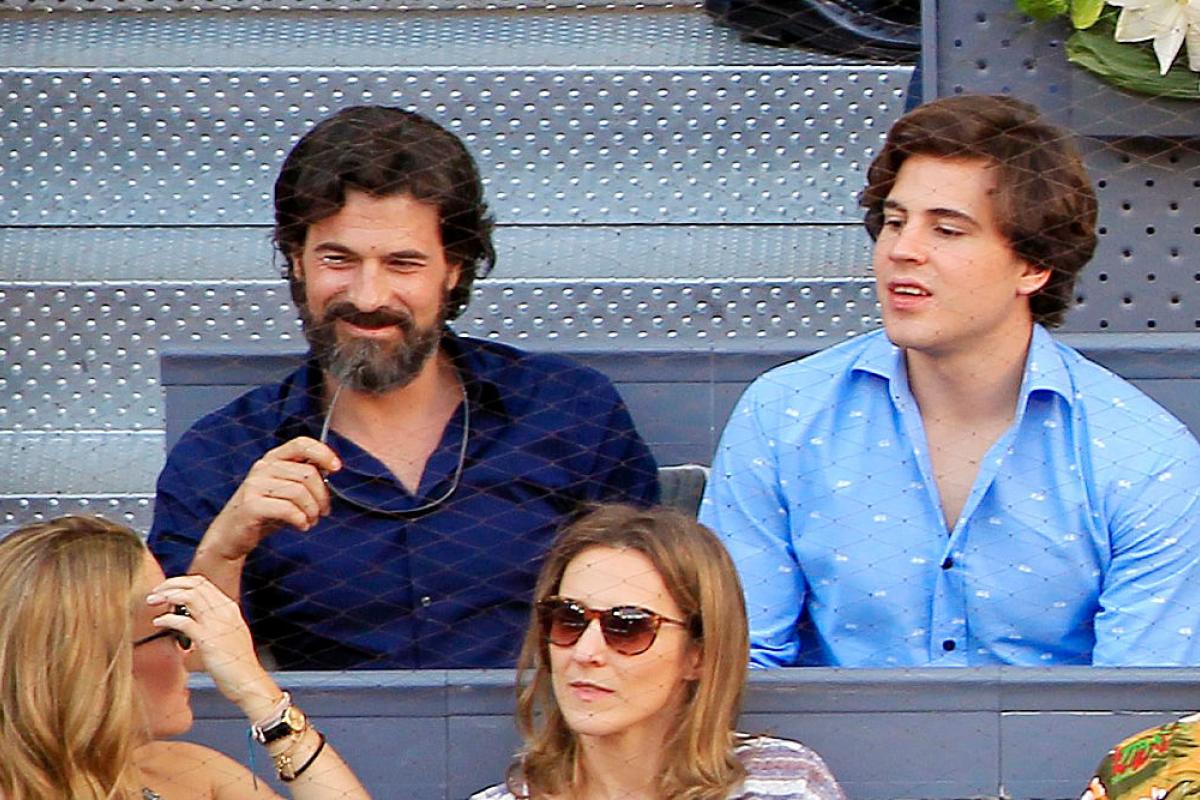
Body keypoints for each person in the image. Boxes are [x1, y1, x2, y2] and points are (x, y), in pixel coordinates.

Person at [148, 105, 659, 670]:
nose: (368, 296)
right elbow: (173, 687)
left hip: (553, 747)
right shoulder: (222, 456)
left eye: (403, 263)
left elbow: (658, 629)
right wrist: (228, 546)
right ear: (297, 261)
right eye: (337, 259)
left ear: (454, 268)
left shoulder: (570, 412)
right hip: (303, 750)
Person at [700, 93, 1200, 668]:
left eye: (948, 230)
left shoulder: (1143, 457)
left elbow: (1136, 712)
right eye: (894, 222)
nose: (903, 251)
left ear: (1034, 266)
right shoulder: (782, 416)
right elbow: (738, 668)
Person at [471, 504, 846, 800]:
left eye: (628, 627)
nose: (586, 652)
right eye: (567, 619)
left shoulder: (783, 785)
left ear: (698, 653)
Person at [0, 515, 370, 800]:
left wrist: (262, 697)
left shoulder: (188, 772)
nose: (191, 650)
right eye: (173, 632)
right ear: (96, 664)